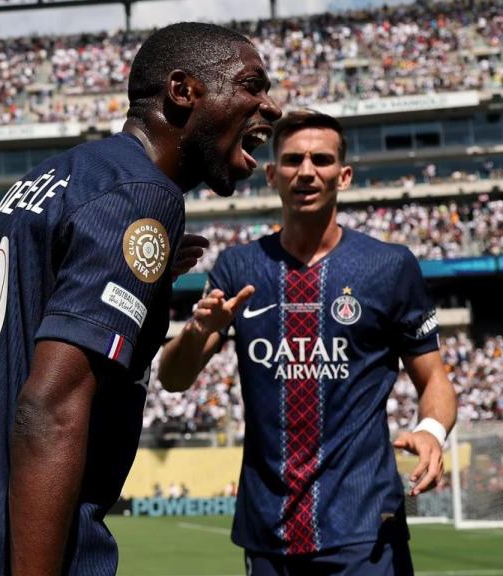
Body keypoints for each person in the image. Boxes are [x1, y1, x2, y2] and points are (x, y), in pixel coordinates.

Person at [0, 21, 281, 576]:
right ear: (183, 91)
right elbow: (51, 406)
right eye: (252, 85)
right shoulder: (142, 193)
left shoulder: (49, 180)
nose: (271, 106)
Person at [159, 110, 457, 575]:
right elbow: (173, 378)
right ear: (272, 175)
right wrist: (198, 330)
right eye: (293, 160)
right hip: (268, 528)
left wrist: (431, 431)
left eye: (321, 159)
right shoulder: (239, 267)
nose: (306, 171)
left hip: (366, 525)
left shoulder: (389, 266)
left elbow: (434, 376)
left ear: (344, 175)